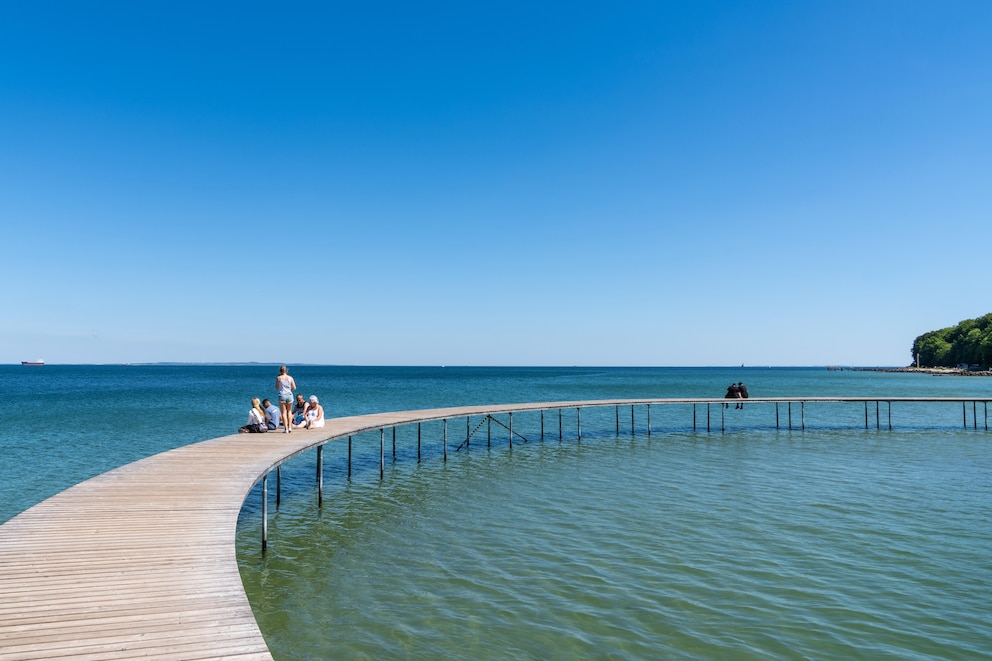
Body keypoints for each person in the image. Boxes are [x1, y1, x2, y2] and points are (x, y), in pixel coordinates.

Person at [275, 365, 297, 433]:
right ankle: (290, 427)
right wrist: (289, 389)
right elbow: (294, 387)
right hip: (289, 395)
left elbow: (276, 387)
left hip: (282, 395)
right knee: (289, 411)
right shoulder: (290, 378)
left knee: (284, 412)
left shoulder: (279, 378)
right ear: (286, 370)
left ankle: (286, 428)